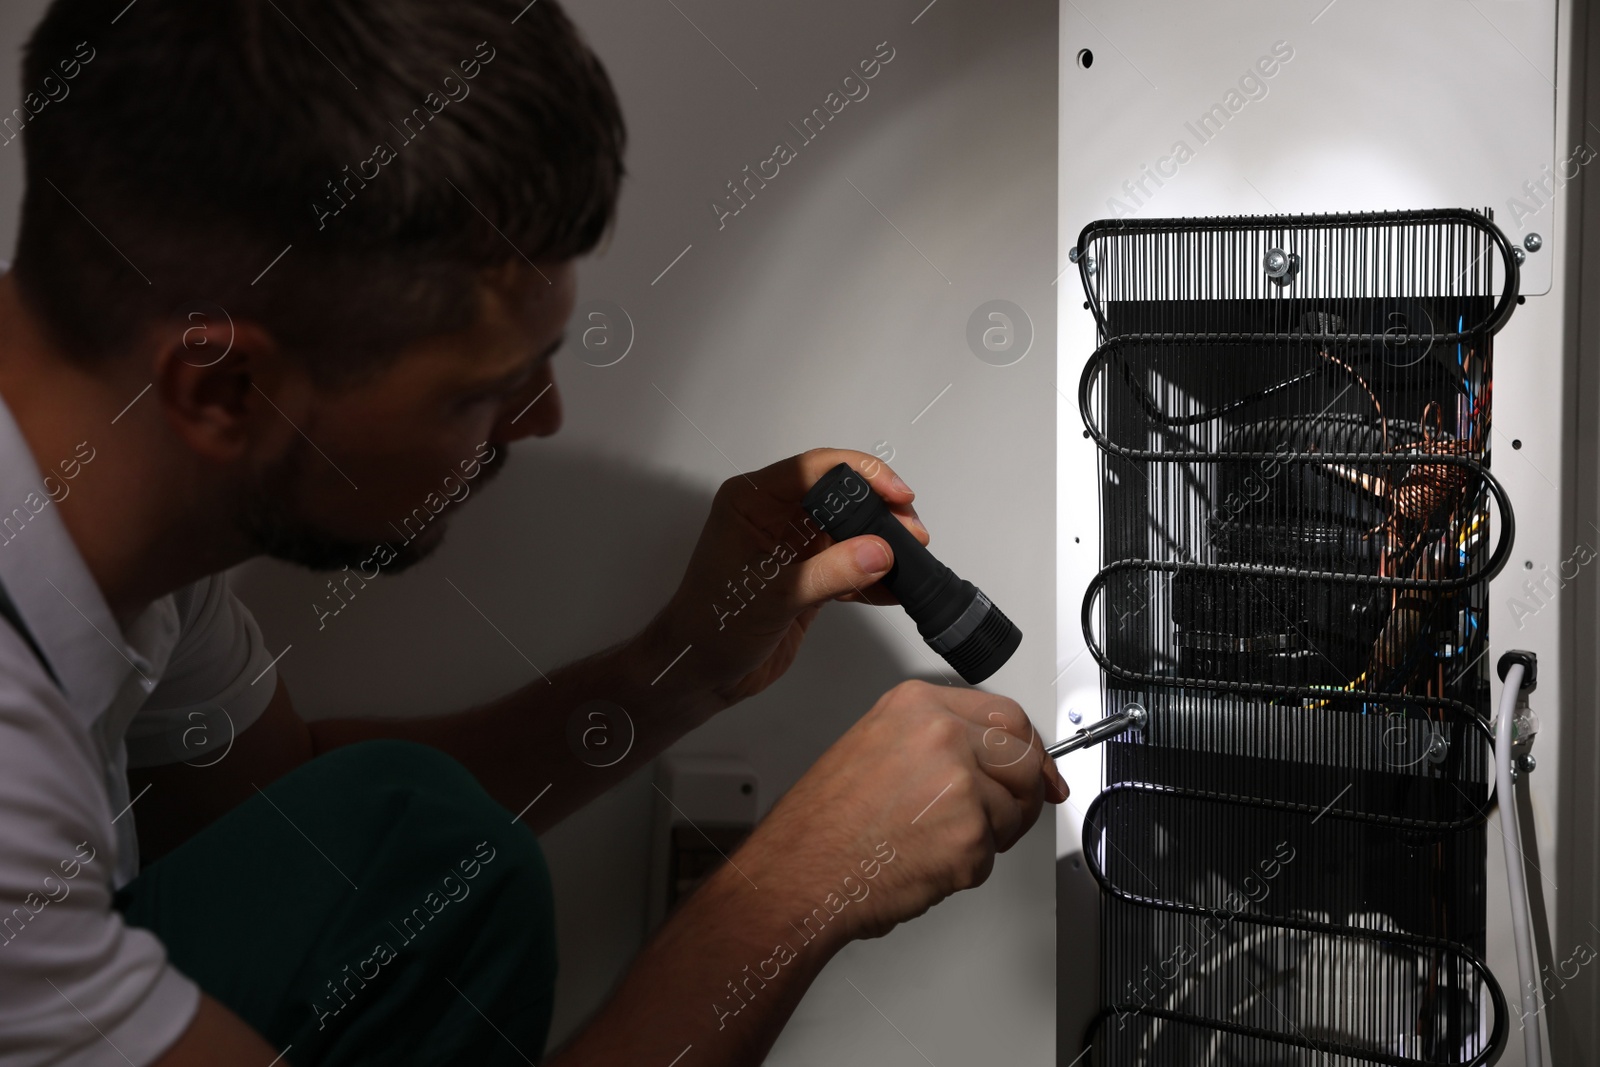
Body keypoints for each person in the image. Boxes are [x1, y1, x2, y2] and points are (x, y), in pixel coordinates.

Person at [0, 1, 1067, 1064]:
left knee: (416, 836)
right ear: (226, 388)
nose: (541, 418)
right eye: (487, 389)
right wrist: (801, 884)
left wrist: (678, 669)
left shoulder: (112, 512)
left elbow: (284, 820)